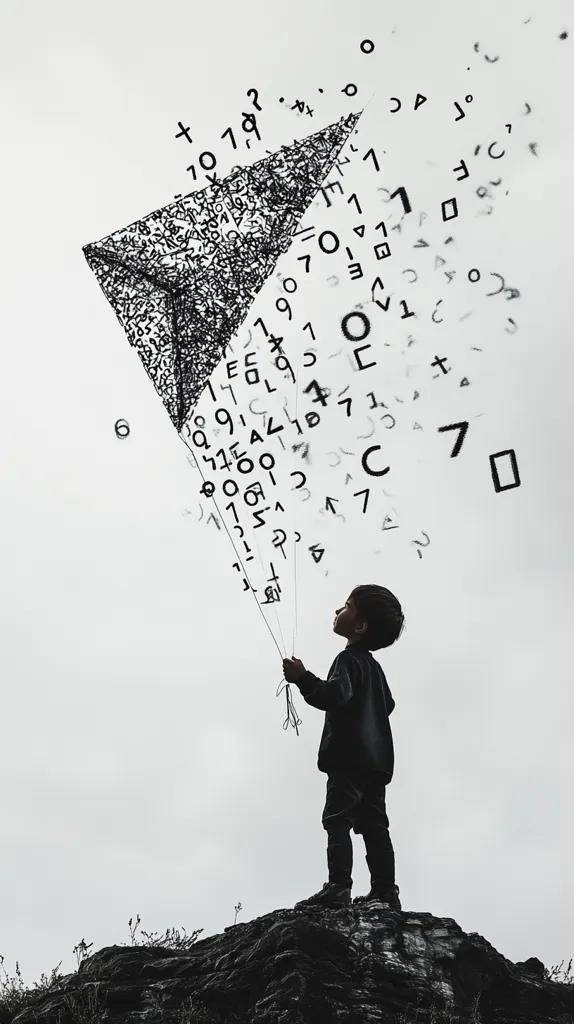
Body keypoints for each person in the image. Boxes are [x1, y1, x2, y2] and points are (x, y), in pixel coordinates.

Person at [282, 584, 404, 911]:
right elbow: (388, 704)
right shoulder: (374, 668)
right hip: (377, 763)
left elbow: (334, 695)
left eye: (347, 606)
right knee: (375, 825)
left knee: (337, 819)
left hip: (348, 758)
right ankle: (385, 892)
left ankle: (338, 886)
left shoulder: (347, 659)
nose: (338, 611)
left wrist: (302, 677)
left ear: (360, 626)